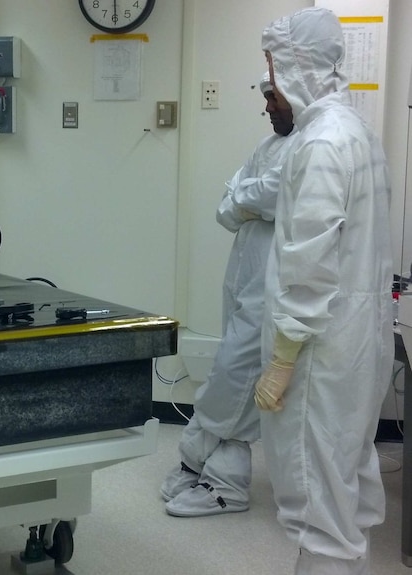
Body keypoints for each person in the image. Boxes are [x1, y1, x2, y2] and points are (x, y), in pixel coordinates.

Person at [256, 7, 393, 574]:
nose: (271, 89)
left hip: (319, 354)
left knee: (316, 500)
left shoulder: (319, 145)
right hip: (358, 344)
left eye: (274, 73)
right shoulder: (357, 130)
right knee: (345, 493)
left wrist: (283, 358)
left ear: (299, 68)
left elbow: (308, 266)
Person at [160, 73, 296, 517]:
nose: (269, 108)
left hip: (276, 278)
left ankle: (204, 466)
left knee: (237, 373)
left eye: (276, 99)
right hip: (245, 269)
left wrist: (247, 196)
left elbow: (275, 195)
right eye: (266, 99)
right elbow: (229, 203)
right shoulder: (267, 146)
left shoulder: (312, 146)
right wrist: (249, 197)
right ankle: (216, 474)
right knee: (229, 364)